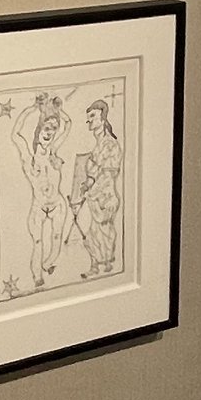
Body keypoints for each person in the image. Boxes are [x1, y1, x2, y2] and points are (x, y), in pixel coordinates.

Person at [5, 93, 71, 289]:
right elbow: (15, 134)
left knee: (57, 239)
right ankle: (37, 276)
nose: (50, 133)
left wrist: (58, 110)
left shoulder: (54, 151)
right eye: (46, 128)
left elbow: (68, 124)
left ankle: (48, 263)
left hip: (58, 204)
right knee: (38, 242)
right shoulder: (29, 157)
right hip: (39, 206)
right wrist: (33, 108)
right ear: (39, 129)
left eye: (53, 129)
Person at [71, 98, 125, 276]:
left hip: (105, 197)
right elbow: (94, 173)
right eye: (88, 118)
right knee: (92, 233)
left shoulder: (110, 144)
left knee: (103, 231)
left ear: (103, 118)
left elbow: (108, 175)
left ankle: (106, 266)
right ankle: (96, 266)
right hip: (94, 197)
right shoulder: (98, 145)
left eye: (93, 116)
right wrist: (87, 184)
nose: (89, 121)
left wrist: (91, 189)